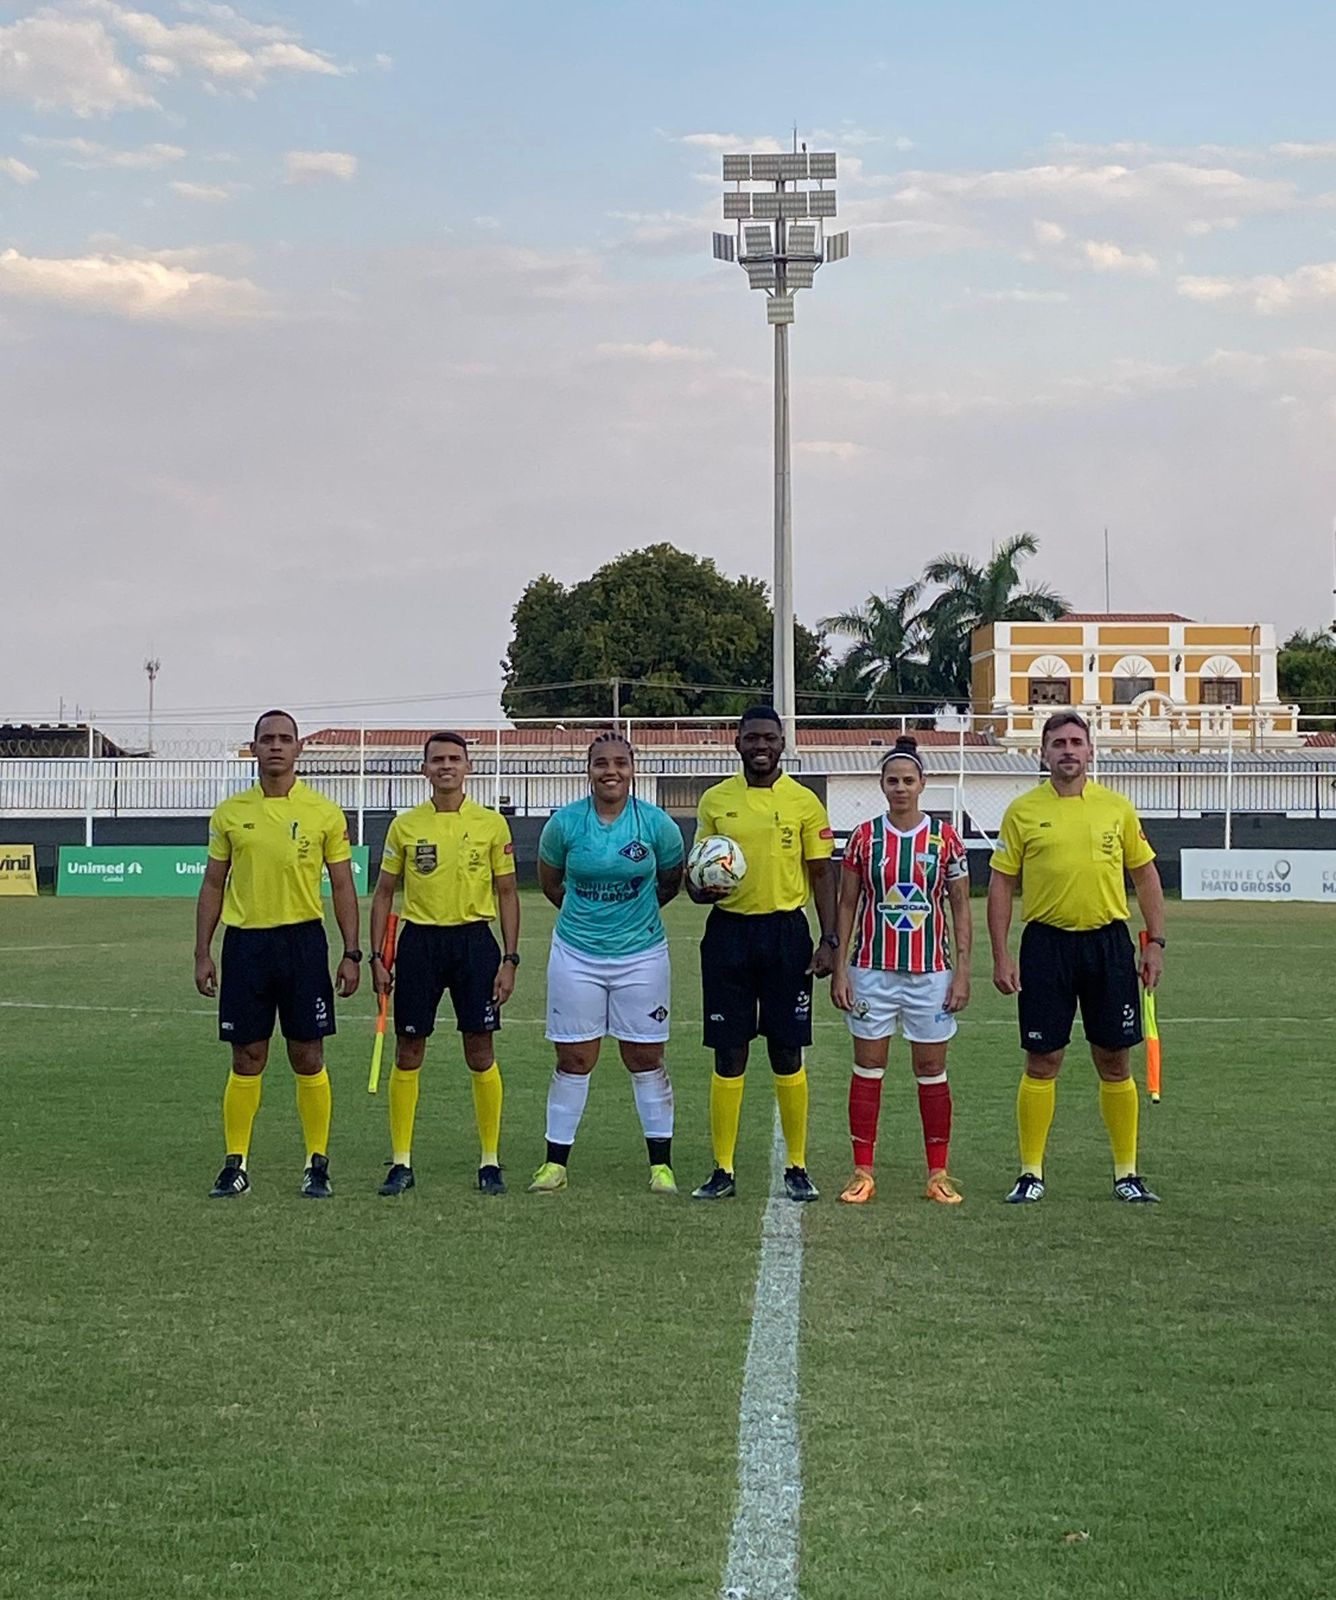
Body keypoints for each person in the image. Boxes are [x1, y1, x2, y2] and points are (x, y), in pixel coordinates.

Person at [988, 710, 1165, 1204]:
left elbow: (1146, 876)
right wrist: (1001, 954)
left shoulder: (1117, 808)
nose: (1068, 750)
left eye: (1076, 742)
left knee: (1114, 1058)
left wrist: (1155, 943)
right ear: (1042, 754)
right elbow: (1002, 882)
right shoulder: (1022, 811)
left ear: (1090, 751)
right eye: (1058, 743)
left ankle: (1126, 1174)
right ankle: (1030, 1173)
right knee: (1043, 1058)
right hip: (1047, 945)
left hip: (1108, 944)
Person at [195, 709, 362, 1199]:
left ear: (298, 749)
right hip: (246, 945)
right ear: (254, 747)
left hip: (303, 943)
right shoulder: (230, 812)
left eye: (285, 739)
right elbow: (212, 883)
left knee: (307, 1054)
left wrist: (352, 952)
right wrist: (203, 952)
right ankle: (235, 1163)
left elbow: (344, 886)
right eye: (266, 739)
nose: (276, 746)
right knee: (247, 1056)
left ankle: (317, 1163)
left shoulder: (324, 812)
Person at [688, 706, 838, 1203]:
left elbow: (821, 874)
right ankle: (722, 1169)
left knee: (786, 1050)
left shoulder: (804, 802)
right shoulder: (715, 800)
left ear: (781, 745)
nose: (761, 746)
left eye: (770, 738)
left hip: (785, 934)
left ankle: (796, 1165)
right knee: (729, 1052)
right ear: (737, 742)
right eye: (751, 737)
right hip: (728, 934)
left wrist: (829, 939)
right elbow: (700, 872)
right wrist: (699, 890)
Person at [527, 732, 685, 1195]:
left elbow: (670, 881)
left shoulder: (657, 825)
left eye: (619, 762)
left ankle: (662, 1167)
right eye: (601, 763)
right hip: (576, 953)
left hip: (643, 955)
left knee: (644, 1056)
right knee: (575, 1057)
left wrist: (630, 922)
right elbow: (551, 883)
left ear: (633, 769)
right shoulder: (565, 824)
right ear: (588, 769)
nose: (610, 771)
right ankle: (555, 1166)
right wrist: (591, 921)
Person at [368, 732, 520, 1197]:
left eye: (455, 759)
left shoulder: (492, 824)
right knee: (409, 1049)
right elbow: (385, 893)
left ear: (468, 767)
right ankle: (401, 1161)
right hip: (420, 945)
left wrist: (510, 958)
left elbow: (509, 893)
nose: (446, 766)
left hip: (475, 943)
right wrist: (376, 956)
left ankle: (490, 1161)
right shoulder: (405, 825)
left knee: (481, 1050)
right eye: (437, 760)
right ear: (425, 769)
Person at [831, 736, 971, 1205]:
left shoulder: (945, 839)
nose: (900, 788)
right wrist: (840, 969)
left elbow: (959, 908)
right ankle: (863, 1170)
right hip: (871, 970)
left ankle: (938, 1174)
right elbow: (847, 902)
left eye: (908, 780)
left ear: (923, 784)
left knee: (931, 1070)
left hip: (931, 972)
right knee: (868, 1067)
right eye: (892, 781)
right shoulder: (864, 838)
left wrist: (963, 971)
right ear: (882, 785)